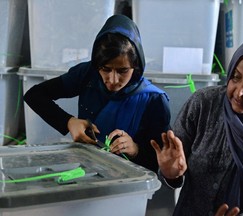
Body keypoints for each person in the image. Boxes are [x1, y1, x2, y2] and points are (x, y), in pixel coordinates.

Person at [151, 37, 243, 215]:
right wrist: (171, 174)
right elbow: (174, 170)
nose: (240, 92)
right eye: (236, 77)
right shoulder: (203, 105)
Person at [24, 14, 171, 173]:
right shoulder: (88, 75)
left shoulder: (153, 100)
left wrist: (135, 149)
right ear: (97, 64)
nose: (113, 80)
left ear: (136, 66)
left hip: (128, 183)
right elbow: (35, 95)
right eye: (106, 69)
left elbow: (161, 164)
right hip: (86, 172)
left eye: (123, 71)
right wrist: (69, 121)